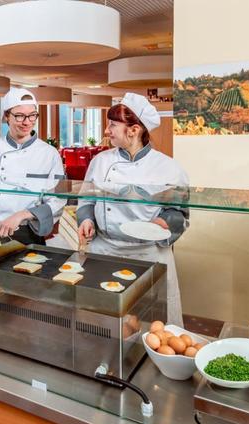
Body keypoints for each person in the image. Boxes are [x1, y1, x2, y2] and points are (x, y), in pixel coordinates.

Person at [77, 93, 190, 326]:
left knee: (153, 323)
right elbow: (86, 200)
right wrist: (86, 219)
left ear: (134, 130)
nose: (107, 131)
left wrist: (161, 224)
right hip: (104, 250)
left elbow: (179, 213)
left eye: (112, 125)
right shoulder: (100, 161)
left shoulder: (167, 167)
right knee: (102, 320)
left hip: (147, 253)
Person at [0, 88, 65, 244]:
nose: (27, 122)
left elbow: (59, 199)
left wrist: (21, 215)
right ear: (7, 116)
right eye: (20, 116)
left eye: (32, 115)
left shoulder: (50, 153)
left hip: (27, 232)